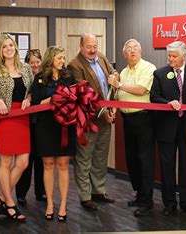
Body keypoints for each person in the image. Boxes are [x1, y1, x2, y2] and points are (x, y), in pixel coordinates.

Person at [150, 41, 186, 216]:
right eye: (169, 56)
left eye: (174, 56)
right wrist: (167, 103)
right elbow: (153, 97)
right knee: (167, 167)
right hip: (166, 128)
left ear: (184, 55)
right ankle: (169, 203)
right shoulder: (160, 74)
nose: (171, 59)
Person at [67, 33, 116, 211]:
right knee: (84, 158)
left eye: (95, 46)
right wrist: (103, 113)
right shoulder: (74, 65)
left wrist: (112, 108)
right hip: (87, 119)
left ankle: (98, 191)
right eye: (89, 47)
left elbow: (113, 75)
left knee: (100, 157)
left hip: (106, 117)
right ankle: (85, 196)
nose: (93, 50)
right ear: (81, 46)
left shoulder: (101, 57)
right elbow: (84, 94)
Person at [107, 39, 156, 217]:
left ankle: (147, 201)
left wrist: (118, 84)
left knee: (145, 159)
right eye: (129, 49)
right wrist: (113, 108)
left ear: (141, 51)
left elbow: (141, 89)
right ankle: (139, 194)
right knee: (132, 159)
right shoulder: (124, 72)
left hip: (144, 119)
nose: (132, 51)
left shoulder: (148, 68)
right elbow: (118, 95)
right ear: (124, 54)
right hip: (126, 119)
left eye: (136, 48)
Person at [0, 34, 33, 221]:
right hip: (6, 118)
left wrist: (29, 99)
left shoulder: (26, 68)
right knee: (5, 162)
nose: (8, 48)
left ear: (15, 47)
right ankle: (10, 202)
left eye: (11, 45)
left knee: (22, 162)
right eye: (4, 46)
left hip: (23, 117)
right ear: (0, 50)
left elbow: (32, 91)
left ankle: (1, 198)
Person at [30, 46, 76, 222]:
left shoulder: (69, 76)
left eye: (64, 58)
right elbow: (35, 102)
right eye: (59, 58)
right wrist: (52, 99)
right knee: (48, 165)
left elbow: (76, 97)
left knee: (63, 166)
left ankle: (63, 205)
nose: (63, 61)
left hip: (65, 125)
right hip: (45, 126)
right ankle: (50, 203)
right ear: (50, 59)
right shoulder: (40, 78)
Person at [16, 49, 47, 205]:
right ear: (27, 64)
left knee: (41, 161)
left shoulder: (45, 77)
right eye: (31, 62)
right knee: (25, 160)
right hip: (25, 124)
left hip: (42, 125)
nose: (35, 65)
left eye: (37, 61)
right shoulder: (24, 77)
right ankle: (21, 193)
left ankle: (40, 192)